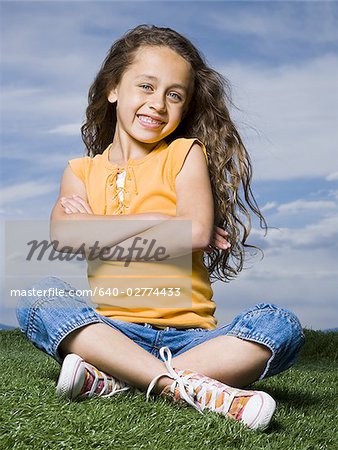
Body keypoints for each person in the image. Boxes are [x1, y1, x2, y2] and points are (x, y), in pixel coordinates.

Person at [16, 24, 305, 431]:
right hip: (113, 333)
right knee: (37, 297)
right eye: (146, 86)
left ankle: (119, 380)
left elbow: (194, 234)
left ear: (185, 107)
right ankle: (188, 384)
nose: (158, 104)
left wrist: (98, 227)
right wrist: (156, 223)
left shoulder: (186, 154)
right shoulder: (80, 172)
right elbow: (64, 236)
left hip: (191, 337)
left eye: (174, 95)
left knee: (281, 325)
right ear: (113, 88)